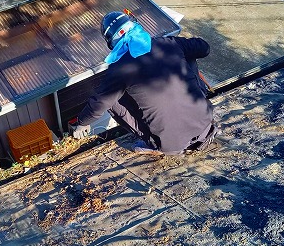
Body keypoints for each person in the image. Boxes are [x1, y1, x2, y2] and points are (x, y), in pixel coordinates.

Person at [69, 10, 217, 155]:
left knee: (109, 99)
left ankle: (153, 144)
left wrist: (82, 122)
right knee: (188, 54)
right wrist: (178, 46)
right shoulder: (168, 42)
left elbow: (99, 103)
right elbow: (204, 49)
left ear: (112, 42)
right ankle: (197, 105)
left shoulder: (119, 69)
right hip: (205, 122)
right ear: (133, 25)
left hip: (171, 144)